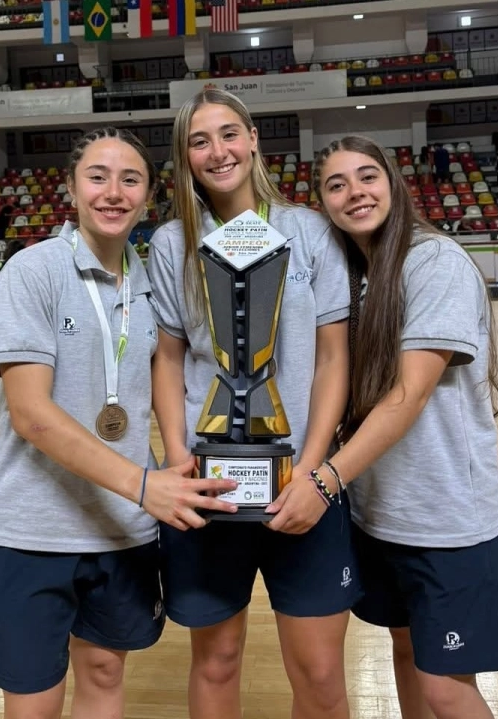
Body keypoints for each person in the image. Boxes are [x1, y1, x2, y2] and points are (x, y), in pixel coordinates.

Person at [0, 126, 240, 719]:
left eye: (130, 179)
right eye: (97, 177)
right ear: (71, 189)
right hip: (31, 531)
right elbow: (31, 415)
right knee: (34, 700)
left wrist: (175, 460)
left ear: (148, 197)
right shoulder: (32, 271)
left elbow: (171, 375)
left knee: (105, 673)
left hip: (121, 530)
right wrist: (144, 485)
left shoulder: (151, 283)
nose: (113, 192)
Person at [147, 88, 359, 719]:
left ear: (253, 140)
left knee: (320, 671)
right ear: (185, 156)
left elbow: (332, 359)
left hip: (305, 482)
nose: (218, 152)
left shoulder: (310, 230)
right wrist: (178, 457)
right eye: (199, 141)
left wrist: (315, 474)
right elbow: (168, 360)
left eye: (229, 134)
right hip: (208, 484)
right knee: (216, 660)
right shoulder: (171, 244)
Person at [307, 135, 498, 719]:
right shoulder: (353, 274)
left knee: (447, 687)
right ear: (323, 203)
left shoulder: (434, 261)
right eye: (336, 185)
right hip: (380, 513)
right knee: (406, 651)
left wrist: (325, 481)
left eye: (367, 176)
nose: (355, 192)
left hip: (446, 519)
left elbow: (410, 394)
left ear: (393, 183)